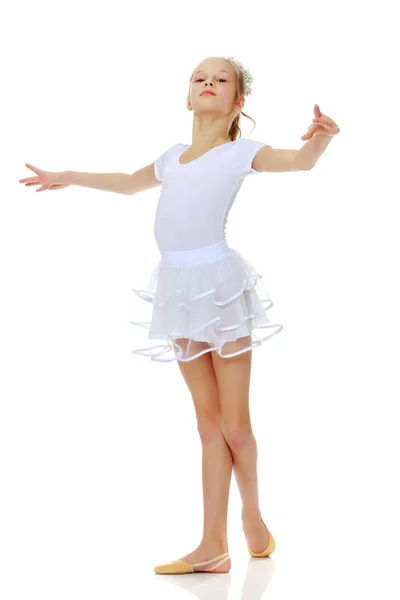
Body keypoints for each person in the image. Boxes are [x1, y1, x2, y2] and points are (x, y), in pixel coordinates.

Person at [19, 55, 339, 575]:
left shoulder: (242, 153)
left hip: (219, 286)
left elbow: (299, 162)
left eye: (222, 80)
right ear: (187, 97)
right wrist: (67, 176)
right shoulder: (172, 157)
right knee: (207, 425)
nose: (208, 83)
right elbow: (127, 182)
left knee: (236, 425)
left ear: (238, 102)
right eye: (199, 78)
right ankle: (212, 545)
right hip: (177, 289)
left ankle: (252, 516)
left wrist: (321, 138)